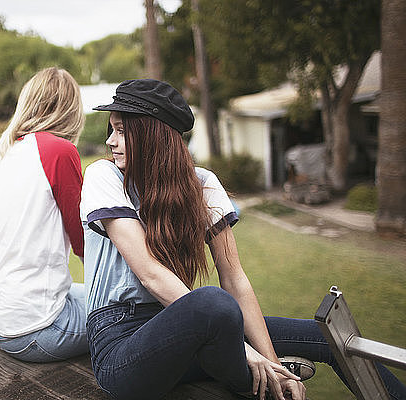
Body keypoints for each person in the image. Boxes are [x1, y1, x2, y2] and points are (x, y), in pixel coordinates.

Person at [80, 79, 406, 400]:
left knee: (324, 337)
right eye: (112, 129)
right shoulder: (103, 176)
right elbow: (150, 274)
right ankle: (247, 379)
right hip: (121, 348)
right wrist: (245, 349)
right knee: (213, 303)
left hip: (186, 331)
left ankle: (265, 374)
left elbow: (234, 278)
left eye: (122, 131)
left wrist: (271, 361)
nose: (110, 140)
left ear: (153, 135)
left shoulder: (202, 184)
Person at [0, 67, 87, 362]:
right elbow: (84, 244)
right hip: (39, 328)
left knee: (97, 295)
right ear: (70, 110)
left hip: (2, 319)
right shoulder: (59, 151)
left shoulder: (9, 153)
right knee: (137, 311)